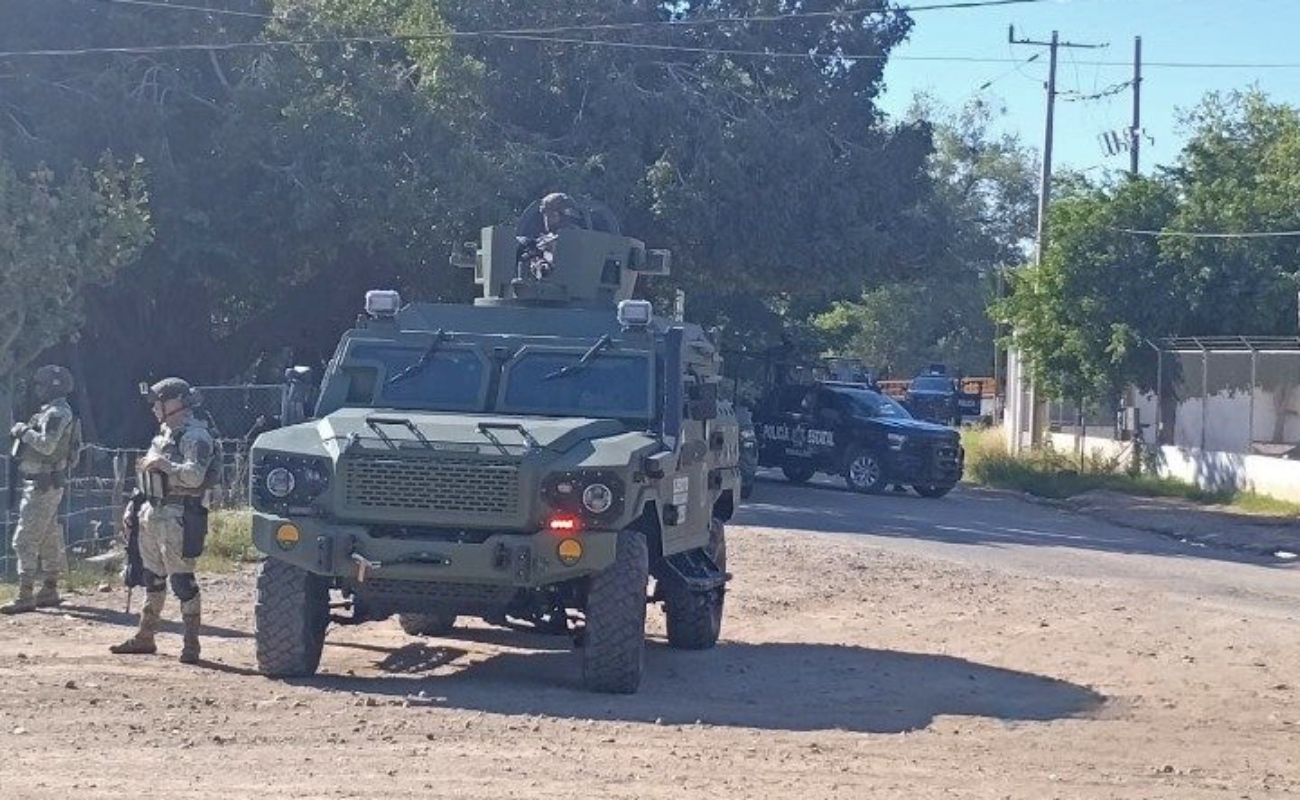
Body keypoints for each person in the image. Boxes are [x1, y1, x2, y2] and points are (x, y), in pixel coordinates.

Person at [110, 377, 217, 664]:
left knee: (182, 581)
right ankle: (146, 636)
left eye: (158, 402)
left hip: (179, 516)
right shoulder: (162, 435)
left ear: (175, 402)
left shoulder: (196, 437)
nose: (154, 408)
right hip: (151, 513)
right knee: (152, 577)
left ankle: (191, 643)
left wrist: (165, 465)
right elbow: (146, 478)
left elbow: (195, 475)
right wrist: (133, 508)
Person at [1, 365, 79, 615]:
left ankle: (25, 594)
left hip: (42, 484)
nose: (37, 390)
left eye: (40, 385)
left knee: (24, 539)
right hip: (46, 482)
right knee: (47, 536)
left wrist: (23, 431)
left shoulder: (55, 413)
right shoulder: (57, 412)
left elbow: (46, 445)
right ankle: (49, 588)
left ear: (51, 387)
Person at [518, 192, 586, 280]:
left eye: (548, 214)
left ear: (558, 214)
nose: (545, 218)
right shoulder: (544, 239)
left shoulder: (575, 237)